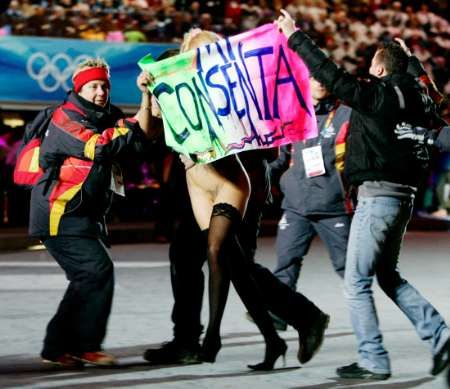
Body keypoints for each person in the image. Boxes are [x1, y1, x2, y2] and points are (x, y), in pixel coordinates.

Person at [276, 9, 450, 380]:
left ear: (381, 71)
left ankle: (373, 359)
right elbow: (434, 102)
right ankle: (440, 337)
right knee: (388, 275)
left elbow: (333, 77)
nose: (368, 72)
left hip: (377, 197)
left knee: (356, 282)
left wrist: (295, 37)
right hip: (403, 198)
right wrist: (414, 63)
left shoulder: (378, 95)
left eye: (372, 66)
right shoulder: (420, 97)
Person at [144, 31, 329, 370]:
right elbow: (157, 126)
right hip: (202, 180)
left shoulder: (235, 81)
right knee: (189, 257)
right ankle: (190, 338)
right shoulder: (178, 75)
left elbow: (265, 141)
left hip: (241, 178)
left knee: (233, 262)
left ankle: (303, 316)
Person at [29, 57, 154, 368]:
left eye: (104, 86)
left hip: (85, 215)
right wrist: (129, 125)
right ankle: (84, 346)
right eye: (93, 86)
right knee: (95, 271)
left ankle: (58, 347)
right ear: (79, 88)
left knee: (88, 277)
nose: (100, 92)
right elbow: (99, 147)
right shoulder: (64, 119)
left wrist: (146, 96)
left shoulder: (107, 115)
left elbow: (140, 141)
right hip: (59, 213)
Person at [269, 76, 352, 330]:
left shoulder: (348, 114)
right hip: (296, 205)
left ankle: (366, 331)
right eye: (314, 76)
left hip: (333, 207)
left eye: (324, 75)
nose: (321, 81)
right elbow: (280, 158)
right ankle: (280, 317)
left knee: (350, 270)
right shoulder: (292, 110)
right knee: (285, 264)